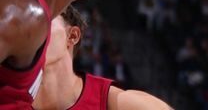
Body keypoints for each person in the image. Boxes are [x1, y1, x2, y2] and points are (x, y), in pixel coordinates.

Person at [33, 6, 172, 110]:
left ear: (72, 36)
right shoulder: (12, 99)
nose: (29, 32)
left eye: (43, 21)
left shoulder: (113, 102)